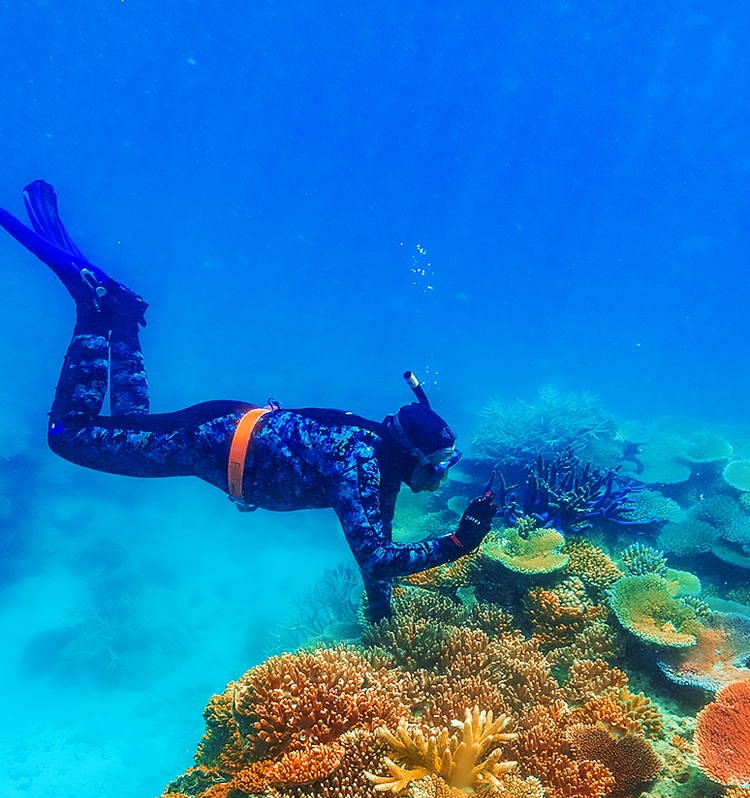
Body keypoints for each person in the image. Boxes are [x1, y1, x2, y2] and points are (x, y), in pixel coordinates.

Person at [0, 181, 497, 620]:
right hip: (205, 444)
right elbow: (375, 558)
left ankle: (123, 318)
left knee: (131, 423)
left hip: (224, 436)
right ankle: (92, 310)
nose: (440, 479)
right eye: (436, 468)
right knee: (69, 436)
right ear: (410, 454)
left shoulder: (379, 461)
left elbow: (377, 545)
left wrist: (381, 619)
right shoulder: (361, 466)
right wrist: (459, 542)